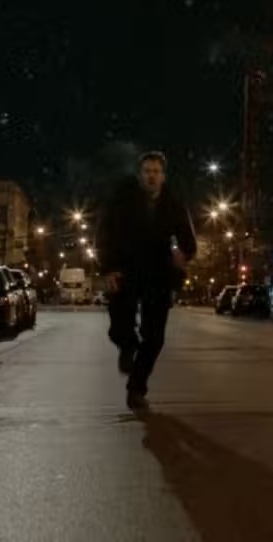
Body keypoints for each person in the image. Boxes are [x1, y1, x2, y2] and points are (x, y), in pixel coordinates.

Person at [97, 151, 198, 410]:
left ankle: (137, 388)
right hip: (125, 269)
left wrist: (182, 255)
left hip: (158, 274)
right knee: (120, 324)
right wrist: (107, 269)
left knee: (154, 338)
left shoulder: (173, 203)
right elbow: (104, 234)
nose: (152, 176)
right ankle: (127, 346)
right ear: (140, 175)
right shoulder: (122, 200)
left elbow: (188, 240)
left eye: (156, 171)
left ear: (163, 177)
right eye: (147, 171)